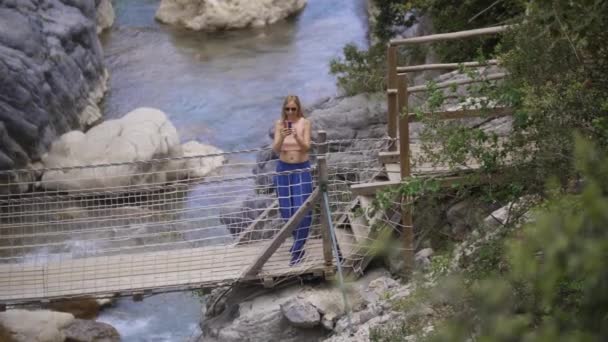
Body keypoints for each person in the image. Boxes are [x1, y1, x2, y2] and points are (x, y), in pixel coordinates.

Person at [272, 95, 312, 266]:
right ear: (284, 109)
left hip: (301, 169)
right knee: (286, 209)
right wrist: (281, 136)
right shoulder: (279, 124)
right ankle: (298, 242)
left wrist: (296, 136)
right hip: (283, 169)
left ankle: (297, 251)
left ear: (298, 109)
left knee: (301, 207)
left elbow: (307, 147)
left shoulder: (305, 123)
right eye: (287, 109)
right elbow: (275, 149)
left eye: (293, 109)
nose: (290, 112)